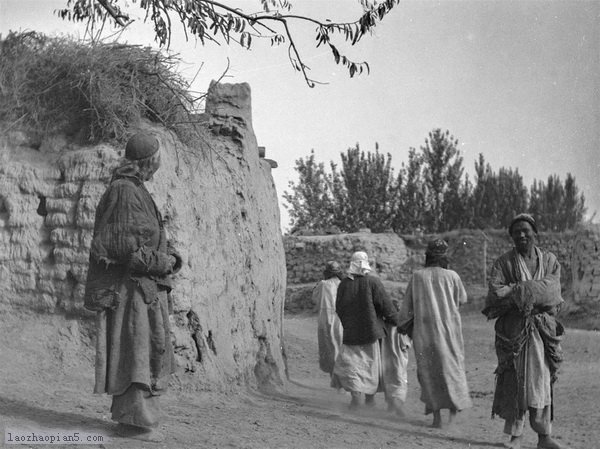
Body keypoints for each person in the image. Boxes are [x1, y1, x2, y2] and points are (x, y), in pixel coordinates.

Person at [84, 132, 182, 442]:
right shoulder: (125, 191)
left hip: (142, 289)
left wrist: (168, 257)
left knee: (143, 349)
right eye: (157, 160)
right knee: (135, 351)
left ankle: (138, 420)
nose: (158, 165)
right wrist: (162, 262)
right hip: (129, 291)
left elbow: (143, 238)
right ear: (148, 162)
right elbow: (122, 246)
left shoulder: (135, 189)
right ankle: (133, 422)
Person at [483, 213, 565, 449]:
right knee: (515, 381)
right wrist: (532, 293)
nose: (521, 234)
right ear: (511, 236)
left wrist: (518, 291)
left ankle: (543, 436)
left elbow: (553, 292)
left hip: (542, 332)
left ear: (534, 233)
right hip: (514, 332)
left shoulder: (549, 261)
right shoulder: (504, 263)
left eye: (525, 230)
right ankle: (516, 436)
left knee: (541, 382)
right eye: (516, 231)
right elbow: (495, 293)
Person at [398, 238, 472, 428]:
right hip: (449, 333)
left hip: (425, 334)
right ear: (444, 257)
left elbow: (406, 308)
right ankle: (453, 416)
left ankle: (436, 417)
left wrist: (403, 326)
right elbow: (463, 299)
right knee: (452, 370)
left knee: (429, 372)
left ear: (428, 256)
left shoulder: (417, 276)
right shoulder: (453, 276)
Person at [333, 251, 408, 417]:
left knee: (354, 366)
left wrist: (348, 323)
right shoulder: (373, 282)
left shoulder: (344, 284)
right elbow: (386, 306)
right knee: (370, 366)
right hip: (371, 332)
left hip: (351, 333)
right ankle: (368, 399)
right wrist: (398, 322)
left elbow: (339, 307)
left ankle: (356, 398)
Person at [313, 261, 344, 387]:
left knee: (329, 349)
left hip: (325, 321)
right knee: (340, 349)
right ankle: (341, 381)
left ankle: (335, 380)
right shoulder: (343, 284)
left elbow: (314, 299)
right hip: (340, 321)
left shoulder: (322, 285)